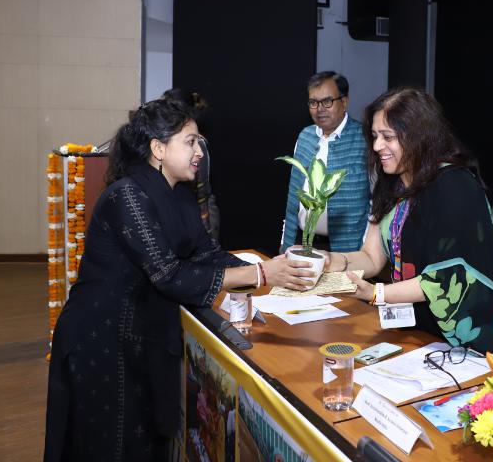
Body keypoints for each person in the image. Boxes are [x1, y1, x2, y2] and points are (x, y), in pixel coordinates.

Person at [43, 99, 317, 462]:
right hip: (102, 339)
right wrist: (261, 274)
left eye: (199, 142)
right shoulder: (128, 195)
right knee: (110, 446)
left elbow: (208, 254)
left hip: (140, 336)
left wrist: (276, 272)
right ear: (158, 149)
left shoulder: (180, 197)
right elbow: (168, 274)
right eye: (190, 142)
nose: (199, 152)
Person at [322, 88, 493, 354]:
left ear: (419, 137)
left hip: (476, 337)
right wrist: (330, 261)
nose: (377, 146)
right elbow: (371, 258)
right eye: (374, 136)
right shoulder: (390, 184)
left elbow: (448, 277)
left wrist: (376, 294)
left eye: (387, 137)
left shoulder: (455, 186)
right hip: (418, 328)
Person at [280, 71, 370, 253]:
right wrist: (284, 243)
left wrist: (367, 250)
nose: (320, 109)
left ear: (344, 102)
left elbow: (377, 202)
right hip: (302, 242)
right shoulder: (305, 136)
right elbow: (293, 198)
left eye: (327, 101)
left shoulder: (365, 140)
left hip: (347, 250)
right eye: (313, 102)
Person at [161, 88, 221, 240]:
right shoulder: (162, 142)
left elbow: (203, 195)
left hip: (199, 220)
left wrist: (208, 237)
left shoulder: (198, 145)